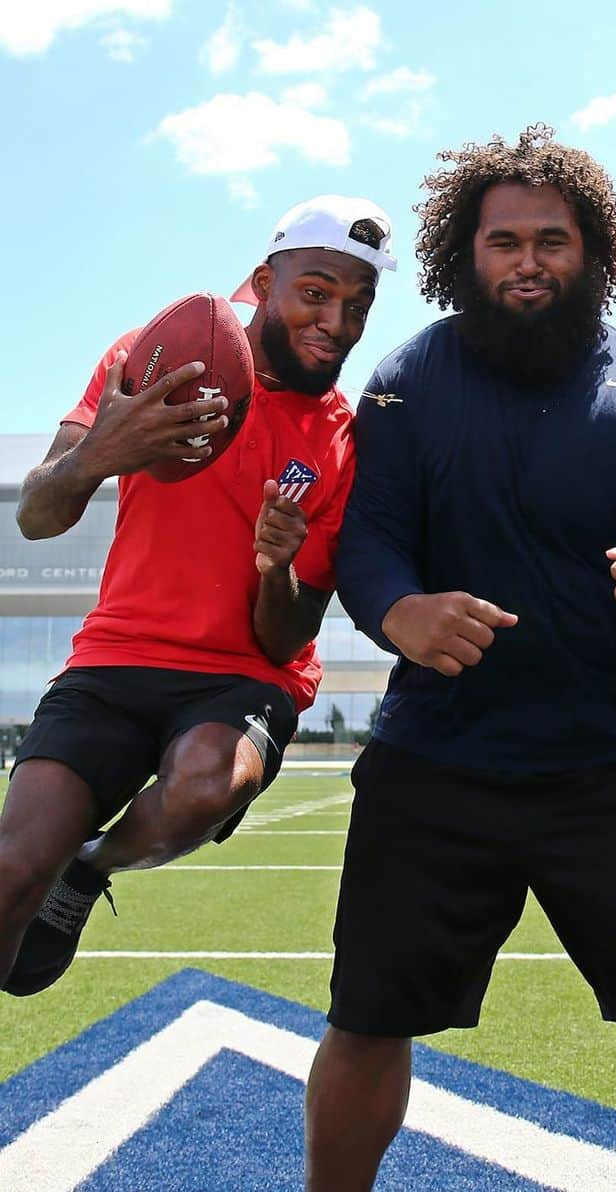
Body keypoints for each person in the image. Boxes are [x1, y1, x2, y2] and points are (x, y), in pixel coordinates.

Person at [304, 127, 616, 1191]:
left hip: (615, 761)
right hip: (436, 757)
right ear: (466, 254)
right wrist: (398, 609)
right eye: (504, 242)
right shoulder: (406, 379)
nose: (529, 261)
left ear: (593, 251)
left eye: (553, 240)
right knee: (365, 1019)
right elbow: (368, 540)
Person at [0, 194, 396, 997]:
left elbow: (287, 641)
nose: (336, 321)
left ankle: (90, 867)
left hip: (242, 677)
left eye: (359, 305)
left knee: (205, 788)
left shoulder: (343, 439)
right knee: (9, 871)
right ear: (263, 279)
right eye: (315, 292)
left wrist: (274, 565)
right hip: (116, 657)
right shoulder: (160, 361)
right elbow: (40, 516)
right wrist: (97, 455)